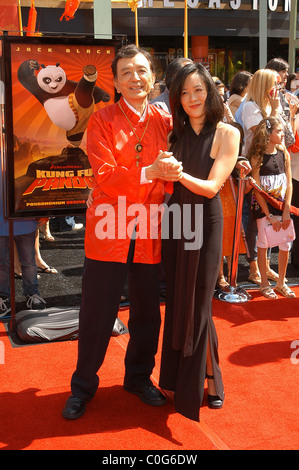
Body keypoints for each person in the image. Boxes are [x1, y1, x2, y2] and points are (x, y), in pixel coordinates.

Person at [62, 44, 182, 420]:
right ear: (114, 80)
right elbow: (106, 176)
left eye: (142, 70)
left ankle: (138, 377)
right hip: (108, 228)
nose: (135, 77)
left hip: (150, 229)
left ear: (152, 77)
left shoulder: (165, 120)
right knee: (97, 312)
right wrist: (152, 174)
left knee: (148, 311)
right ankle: (82, 385)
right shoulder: (101, 120)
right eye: (127, 71)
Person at [158, 62, 240, 422]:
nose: (192, 98)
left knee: (200, 305)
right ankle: (206, 380)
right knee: (179, 301)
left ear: (211, 92)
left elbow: (211, 187)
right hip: (176, 223)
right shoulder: (173, 134)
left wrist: (177, 172)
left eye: (198, 90)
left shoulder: (227, 132)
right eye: (184, 92)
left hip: (204, 224)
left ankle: (203, 385)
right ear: (176, 98)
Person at [247, 117, 295, 299]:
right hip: (263, 209)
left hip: (282, 206)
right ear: (268, 134)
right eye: (279, 131)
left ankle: (282, 282)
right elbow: (257, 190)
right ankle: (264, 284)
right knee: (263, 244)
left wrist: (285, 210)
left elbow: (289, 183)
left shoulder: (284, 152)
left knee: (286, 243)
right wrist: (269, 216)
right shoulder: (257, 157)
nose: (283, 134)